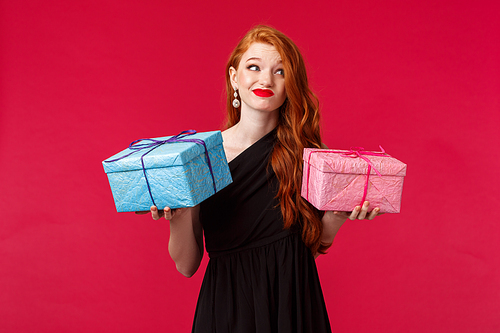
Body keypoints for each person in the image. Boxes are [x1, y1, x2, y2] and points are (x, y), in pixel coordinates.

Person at [144, 25, 380, 332]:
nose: (266, 79)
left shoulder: (307, 155)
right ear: (234, 79)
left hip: (293, 301)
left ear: (290, 84)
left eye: (280, 71)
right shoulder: (201, 156)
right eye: (253, 67)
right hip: (228, 308)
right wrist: (177, 215)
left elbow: (305, 247)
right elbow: (187, 265)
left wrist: (335, 218)